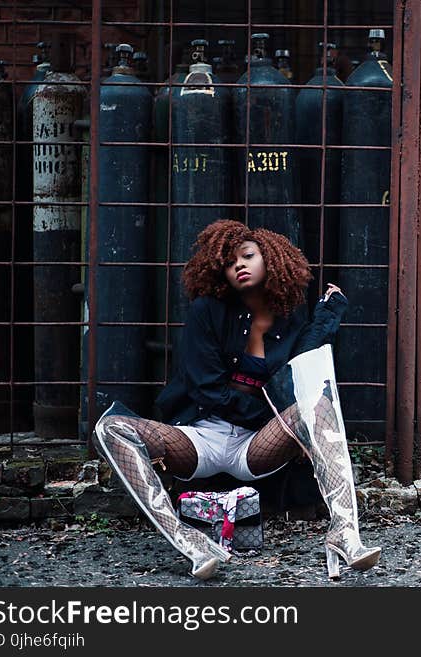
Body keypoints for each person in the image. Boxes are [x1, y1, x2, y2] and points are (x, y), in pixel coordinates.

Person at [93, 219, 380, 580]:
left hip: (255, 445)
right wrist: (271, 408)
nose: (239, 265)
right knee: (111, 428)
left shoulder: (289, 322)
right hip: (201, 438)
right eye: (230, 263)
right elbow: (206, 390)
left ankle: (345, 533)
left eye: (247, 256)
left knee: (317, 404)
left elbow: (300, 374)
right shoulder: (206, 312)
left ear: (272, 260)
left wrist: (327, 317)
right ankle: (188, 541)